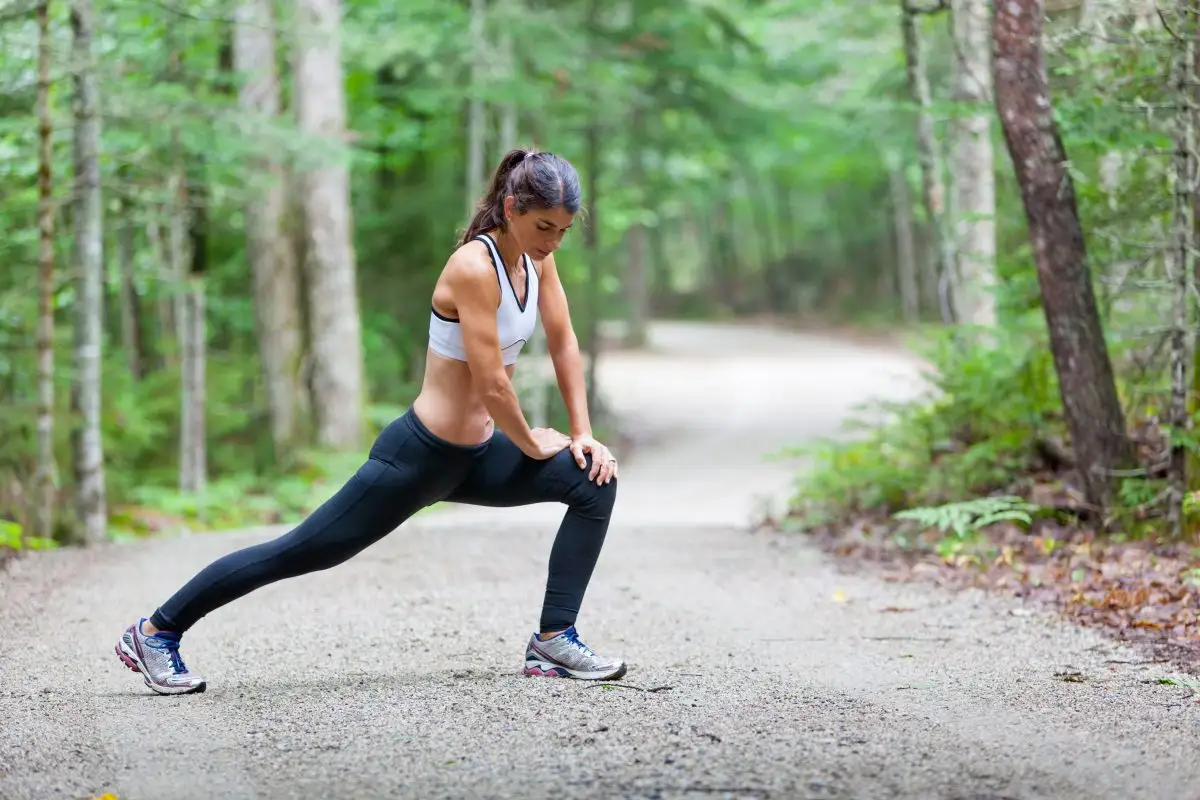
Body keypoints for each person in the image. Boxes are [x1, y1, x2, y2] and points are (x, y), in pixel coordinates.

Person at [114, 148, 626, 695]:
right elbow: (492, 383)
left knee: (594, 481)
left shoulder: (537, 261)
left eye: (563, 231)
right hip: (419, 457)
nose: (552, 241)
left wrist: (583, 434)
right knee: (300, 552)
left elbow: (565, 342)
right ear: (510, 208)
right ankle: (156, 630)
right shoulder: (475, 267)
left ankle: (553, 638)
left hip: (474, 459)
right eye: (543, 226)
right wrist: (532, 443)